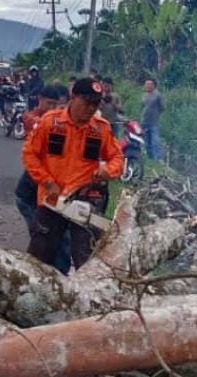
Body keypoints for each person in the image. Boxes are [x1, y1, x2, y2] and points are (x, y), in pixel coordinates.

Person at [22, 77, 123, 268]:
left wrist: (106, 171)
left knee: (87, 259)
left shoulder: (100, 128)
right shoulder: (50, 123)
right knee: (38, 258)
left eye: (95, 104)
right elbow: (30, 155)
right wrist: (47, 181)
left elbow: (117, 159)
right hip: (52, 199)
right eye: (86, 102)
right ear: (73, 97)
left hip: (85, 202)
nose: (91, 108)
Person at [141, 78, 164, 160]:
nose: (147, 86)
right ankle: (150, 157)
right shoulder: (144, 95)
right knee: (146, 141)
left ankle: (158, 158)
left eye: (149, 84)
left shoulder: (158, 95)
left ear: (154, 85)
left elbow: (162, 107)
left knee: (155, 141)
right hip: (144, 121)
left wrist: (156, 114)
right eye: (146, 84)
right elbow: (143, 107)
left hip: (154, 122)